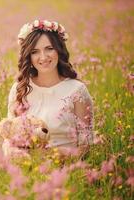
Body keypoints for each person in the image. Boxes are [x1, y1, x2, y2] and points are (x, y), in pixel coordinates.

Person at [6, 19, 94, 156]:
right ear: (28, 55)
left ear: (59, 50)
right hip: (25, 168)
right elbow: (9, 137)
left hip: (65, 169)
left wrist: (54, 157)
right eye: (35, 51)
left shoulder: (77, 90)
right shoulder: (19, 89)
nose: (43, 57)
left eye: (49, 49)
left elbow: (86, 146)